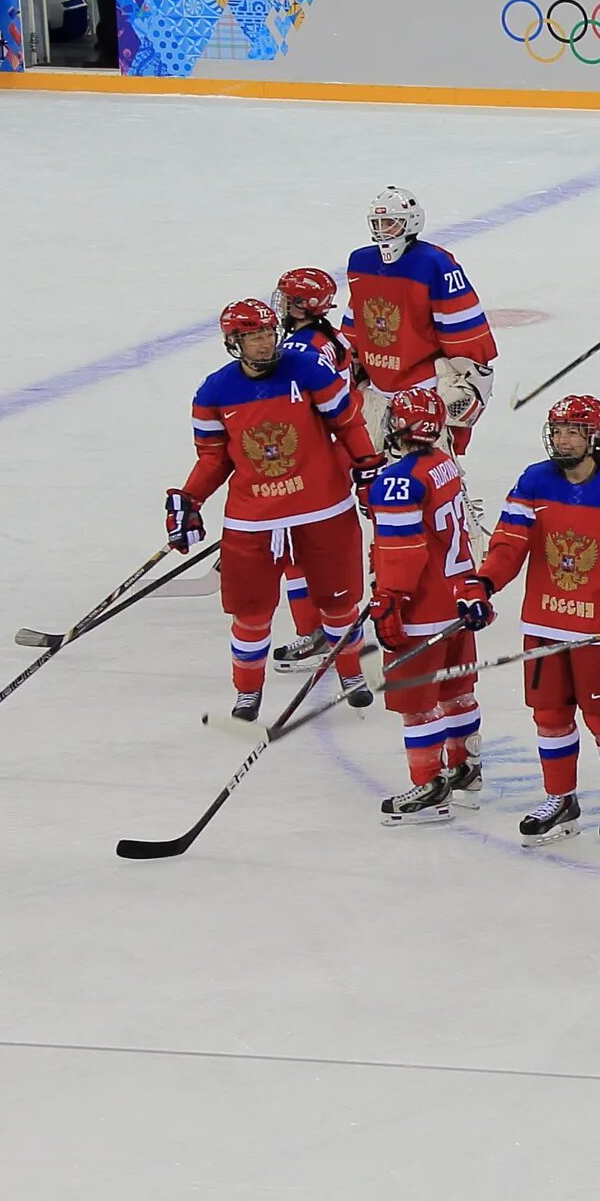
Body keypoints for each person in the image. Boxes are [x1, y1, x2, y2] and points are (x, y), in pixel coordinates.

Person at [456, 395, 600, 843]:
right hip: (545, 623)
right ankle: (561, 798)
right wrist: (483, 584)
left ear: (595, 438)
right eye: (557, 430)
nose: (563, 439)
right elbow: (509, 545)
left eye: (573, 431)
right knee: (550, 716)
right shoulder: (535, 480)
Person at [165, 298, 379, 724]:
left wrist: (367, 470)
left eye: (267, 333)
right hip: (254, 519)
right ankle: (248, 692)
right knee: (251, 611)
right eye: (253, 336)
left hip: (322, 507)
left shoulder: (309, 372)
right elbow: (214, 458)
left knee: (339, 602)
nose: (265, 343)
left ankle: (351, 675)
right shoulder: (213, 393)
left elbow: (348, 425)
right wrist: (190, 499)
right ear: (234, 342)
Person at [363, 381, 486, 823]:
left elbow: (403, 552)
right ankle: (465, 773)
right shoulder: (442, 464)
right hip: (457, 599)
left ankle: (430, 788)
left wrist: (389, 600)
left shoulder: (396, 481)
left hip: (420, 608)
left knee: (417, 703)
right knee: (456, 693)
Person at [345, 187, 498, 456]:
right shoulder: (361, 263)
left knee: (430, 474)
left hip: (424, 392)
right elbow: (357, 324)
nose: (384, 230)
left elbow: (463, 332)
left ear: (411, 223)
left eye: (391, 222)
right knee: (371, 472)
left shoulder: (435, 264)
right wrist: (350, 365)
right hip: (377, 392)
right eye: (378, 223)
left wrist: (471, 377)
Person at [268, 265, 359, 668]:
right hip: (336, 450)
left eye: (288, 298)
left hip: (311, 458)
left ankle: (316, 632)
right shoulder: (330, 336)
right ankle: (332, 626)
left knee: (295, 551)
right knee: (316, 546)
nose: (282, 304)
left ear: (304, 305)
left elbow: (289, 408)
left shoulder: (298, 351)